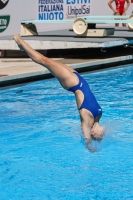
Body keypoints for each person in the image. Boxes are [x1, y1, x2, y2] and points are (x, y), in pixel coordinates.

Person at [13, 35, 105, 152]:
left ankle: (20, 42)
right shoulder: (98, 116)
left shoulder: (87, 120)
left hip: (72, 83)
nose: (102, 134)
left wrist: (90, 147)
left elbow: (86, 137)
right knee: (48, 61)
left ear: (93, 132)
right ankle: (24, 48)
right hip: (79, 79)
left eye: (100, 135)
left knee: (44, 60)